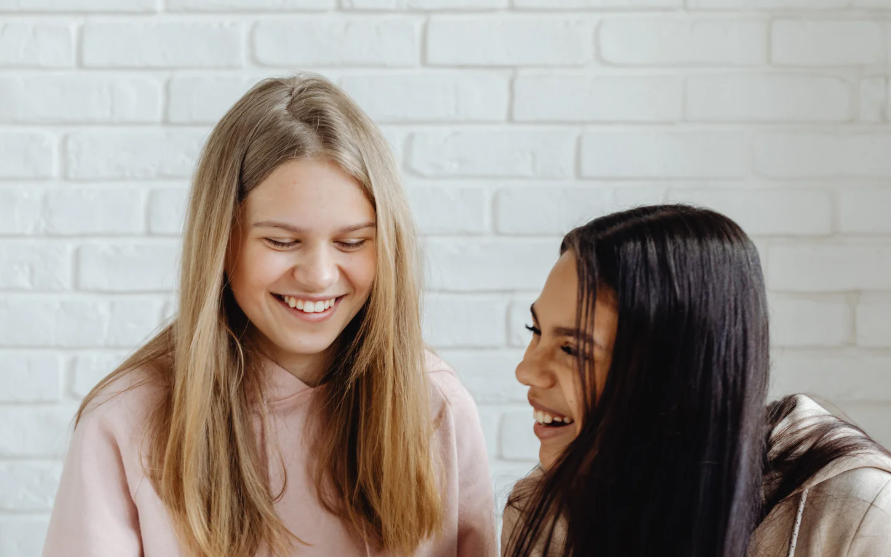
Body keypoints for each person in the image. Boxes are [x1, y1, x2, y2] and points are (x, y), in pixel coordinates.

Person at [43, 75, 496, 557]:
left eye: (352, 242)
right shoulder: (124, 422)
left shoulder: (437, 407)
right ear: (222, 239)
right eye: (281, 242)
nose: (320, 276)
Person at [501, 205, 891, 557]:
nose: (526, 371)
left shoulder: (858, 515)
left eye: (573, 349)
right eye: (535, 330)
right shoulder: (542, 512)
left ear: (672, 368)